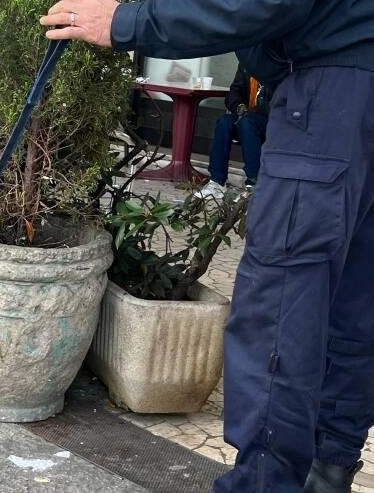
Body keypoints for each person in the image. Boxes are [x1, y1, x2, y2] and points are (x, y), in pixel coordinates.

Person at [41, 2, 374, 493]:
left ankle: (268, 484)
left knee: (281, 308)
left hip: (330, 95)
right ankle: (327, 471)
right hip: (348, 86)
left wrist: (127, 21)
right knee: (356, 303)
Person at [195, 66, 272, 200]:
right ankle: (217, 182)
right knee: (224, 122)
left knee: (247, 123)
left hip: (271, 120)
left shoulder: (278, 63)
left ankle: (254, 185)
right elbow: (234, 92)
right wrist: (239, 106)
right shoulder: (247, 63)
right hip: (247, 116)